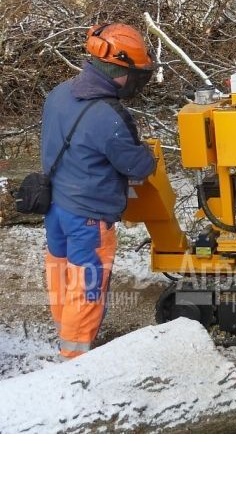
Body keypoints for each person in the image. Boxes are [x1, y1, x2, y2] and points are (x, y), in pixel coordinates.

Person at [41, 23, 157, 359]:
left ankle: (65, 335)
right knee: (87, 284)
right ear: (119, 70)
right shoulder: (108, 117)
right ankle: (76, 358)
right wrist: (148, 154)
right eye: (134, 75)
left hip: (56, 206)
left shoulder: (59, 94)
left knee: (61, 272)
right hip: (88, 217)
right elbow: (139, 167)